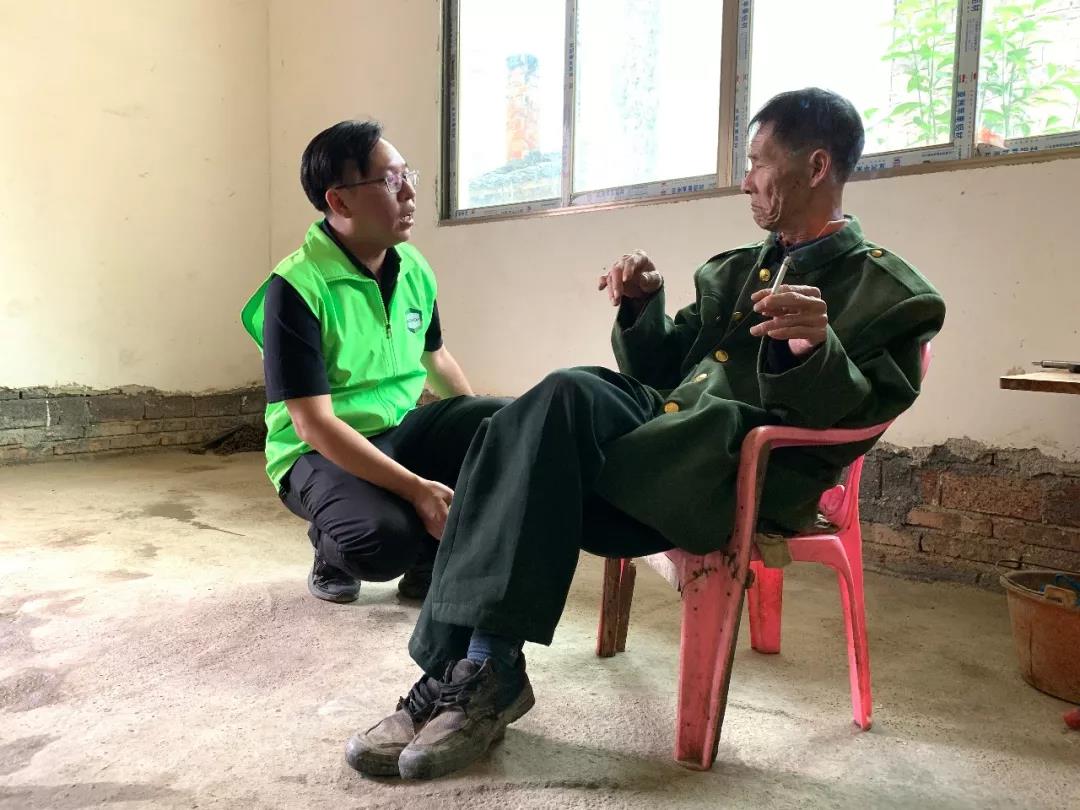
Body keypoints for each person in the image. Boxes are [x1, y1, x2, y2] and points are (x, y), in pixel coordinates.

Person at [345, 88, 946, 779]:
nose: (746, 180)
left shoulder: (893, 296)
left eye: (758, 162)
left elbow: (857, 424)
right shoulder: (738, 268)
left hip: (732, 471)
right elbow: (664, 369)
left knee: (534, 446)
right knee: (529, 406)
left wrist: (815, 349)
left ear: (815, 167)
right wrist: (641, 306)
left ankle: (474, 666)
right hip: (663, 442)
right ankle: (476, 669)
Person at [241, 121, 507, 604]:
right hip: (316, 452)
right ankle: (331, 545)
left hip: (398, 430)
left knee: (499, 421)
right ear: (339, 202)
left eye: (408, 176)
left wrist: (481, 435)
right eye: (389, 181)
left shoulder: (413, 268)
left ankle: (428, 558)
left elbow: (437, 358)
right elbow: (313, 425)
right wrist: (417, 489)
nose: (409, 193)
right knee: (385, 541)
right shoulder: (296, 287)